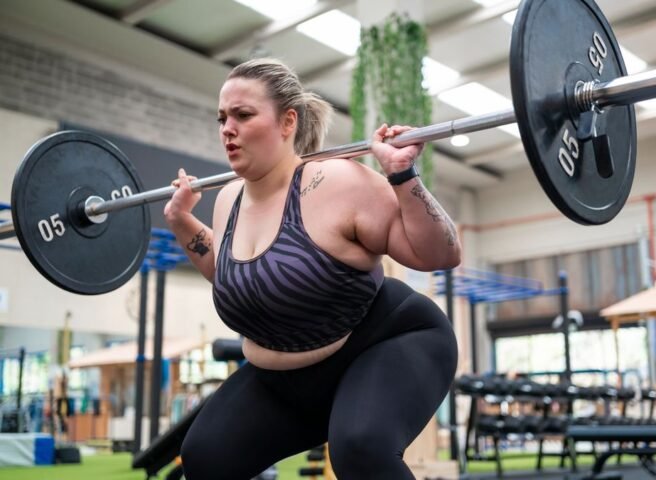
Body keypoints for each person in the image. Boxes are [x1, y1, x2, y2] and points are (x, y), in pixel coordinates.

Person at [164, 58, 460, 480]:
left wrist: (403, 175)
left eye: (243, 115)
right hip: (285, 381)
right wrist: (181, 222)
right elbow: (235, 276)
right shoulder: (228, 199)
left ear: (288, 122)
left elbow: (441, 255)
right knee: (207, 456)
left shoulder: (337, 182)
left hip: (387, 341)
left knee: (360, 450)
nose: (227, 128)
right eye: (222, 117)